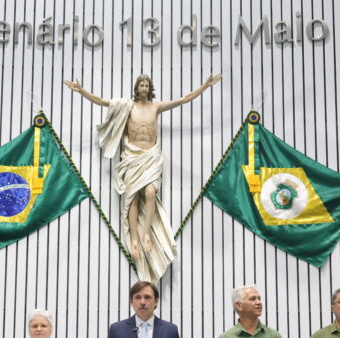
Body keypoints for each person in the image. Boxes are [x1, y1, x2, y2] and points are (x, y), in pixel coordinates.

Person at [65, 73, 222, 282]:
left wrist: (205, 85)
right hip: (131, 155)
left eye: (147, 85)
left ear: (150, 88)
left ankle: (147, 233)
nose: (144, 87)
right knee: (132, 197)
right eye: (141, 84)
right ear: (136, 87)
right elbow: (101, 101)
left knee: (150, 192)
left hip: (151, 155)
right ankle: (135, 239)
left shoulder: (156, 107)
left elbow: (184, 99)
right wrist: (81, 90)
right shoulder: (127, 106)